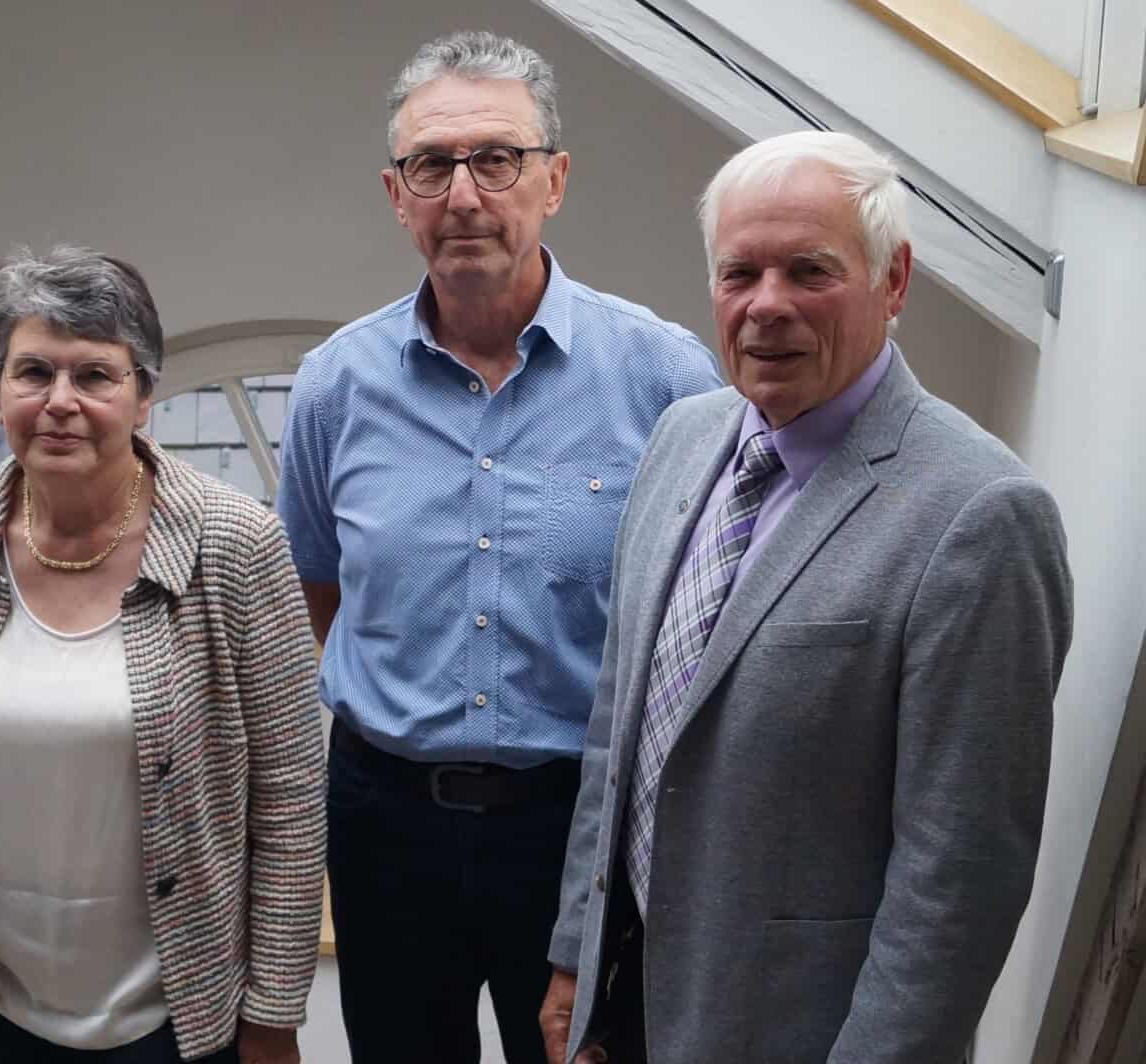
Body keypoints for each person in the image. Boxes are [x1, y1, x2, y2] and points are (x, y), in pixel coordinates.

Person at [540, 130, 1074, 1064]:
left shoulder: (981, 515)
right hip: (633, 1010)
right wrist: (577, 963)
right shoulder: (682, 436)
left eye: (810, 271)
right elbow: (616, 727)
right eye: (739, 272)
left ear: (894, 280)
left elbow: (959, 879)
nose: (767, 306)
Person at [274, 30, 720, 1064]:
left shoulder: (666, 379)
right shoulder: (335, 386)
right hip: (385, 816)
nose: (463, 193)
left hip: (576, 823)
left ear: (553, 179)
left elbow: (707, 606)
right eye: (432, 165)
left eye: (495, 159)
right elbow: (319, 592)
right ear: (397, 194)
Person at [0, 245, 325, 1064]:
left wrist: (273, 1014)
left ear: (143, 394)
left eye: (94, 375)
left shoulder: (235, 543)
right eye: (33, 373)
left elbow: (291, 802)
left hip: (181, 1020)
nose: (60, 402)